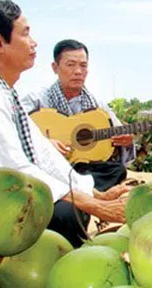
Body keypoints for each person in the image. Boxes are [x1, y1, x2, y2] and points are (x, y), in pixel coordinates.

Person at [0, 0, 129, 248]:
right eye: (25, 33)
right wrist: (97, 207)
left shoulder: (2, 90)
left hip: (17, 190)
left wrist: (95, 195)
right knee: (67, 215)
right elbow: (14, 170)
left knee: (78, 201)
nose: (34, 43)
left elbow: (43, 153)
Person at [21, 39, 135, 192]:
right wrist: (44, 142)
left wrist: (126, 142)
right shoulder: (36, 100)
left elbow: (119, 134)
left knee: (116, 170)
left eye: (83, 65)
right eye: (70, 65)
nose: (78, 71)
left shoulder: (97, 106)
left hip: (85, 169)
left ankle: (76, 192)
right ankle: (82, 193)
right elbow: (11, 126)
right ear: (55, 68)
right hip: (50, 168)